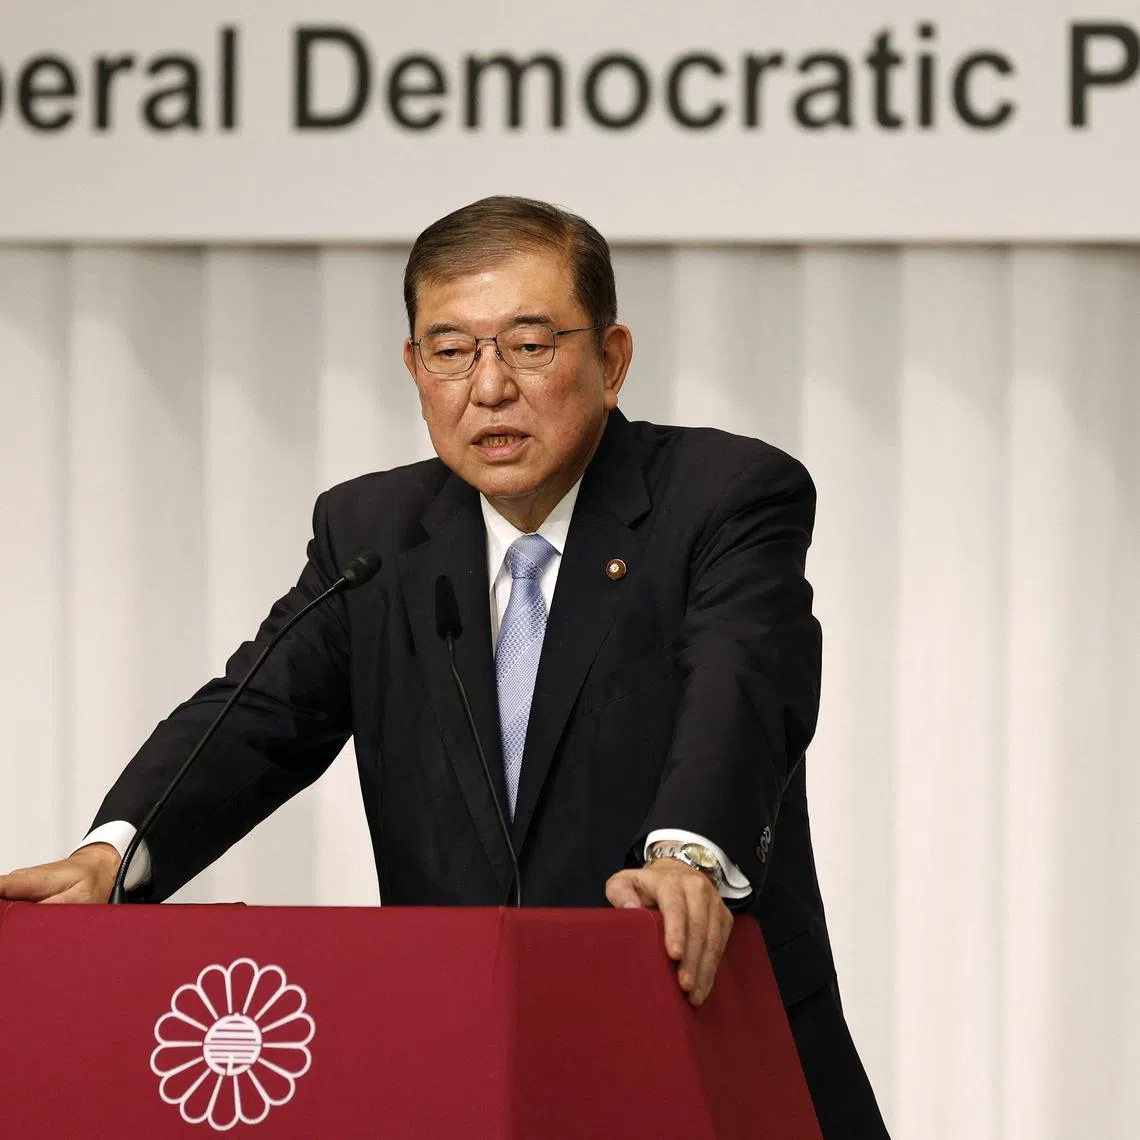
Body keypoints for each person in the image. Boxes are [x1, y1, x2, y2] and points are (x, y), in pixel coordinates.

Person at [0, 196, 887, 1137]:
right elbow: (257, 715)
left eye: (531, 345)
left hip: (697, 1032)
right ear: (414, 367)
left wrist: (685, 854)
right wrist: (114, 855)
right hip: (474, 1054)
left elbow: (742, 683)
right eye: (451, 351)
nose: (489, 387)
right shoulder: (374, 534)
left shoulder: (722, 495)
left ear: (614, 359)